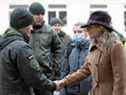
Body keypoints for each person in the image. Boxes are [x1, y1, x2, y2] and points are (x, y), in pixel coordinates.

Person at [55, 11, 126, 95]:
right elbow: (84, 70)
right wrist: (63, 82)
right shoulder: (93, 47)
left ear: (101, 28)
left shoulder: (115, 46)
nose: (87, 29)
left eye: (90, 27)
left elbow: (120, 79)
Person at [0, 8, 56, 95]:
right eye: (30, 25)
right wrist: (53, 85)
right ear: (23, 26)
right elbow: (34, 77)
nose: (32, 29)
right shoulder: (21, 48)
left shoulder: (4, 43)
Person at [29, 2, 61, 95]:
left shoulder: (49, 30)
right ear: (30, 15)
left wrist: (55, 69)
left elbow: (58, 49)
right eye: (37, 14)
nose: (40, 16)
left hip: (45, 75)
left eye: (42, 14)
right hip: (28, 76)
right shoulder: (26, 30)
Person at [60, 22, 92, 95]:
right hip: (71, 91)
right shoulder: (70, 48)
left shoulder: (93, 49)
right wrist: (63, 90)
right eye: (75, 32)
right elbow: (64, 71)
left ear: (87, 32)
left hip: (88, 91)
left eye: (80, 32)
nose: (77, 34)